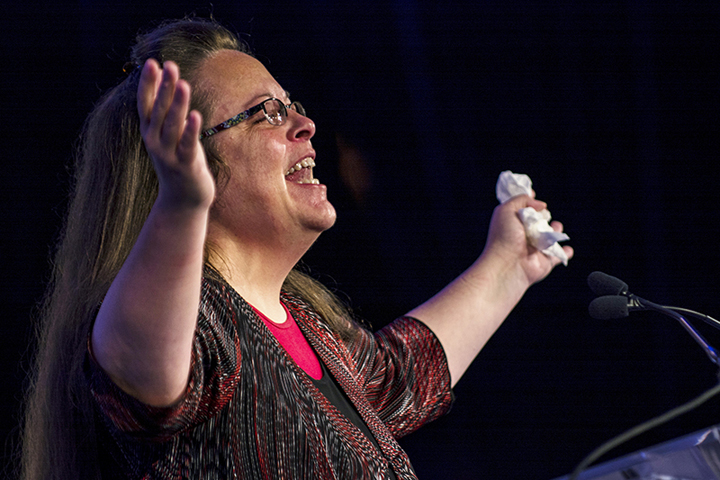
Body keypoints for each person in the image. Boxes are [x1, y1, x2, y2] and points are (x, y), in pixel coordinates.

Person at [21, 17, 573, 480]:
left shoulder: (309, 330)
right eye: (268, 112)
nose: (306, 125)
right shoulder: (191, 328)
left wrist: (509, 263)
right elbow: (138, 359)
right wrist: (182, 203)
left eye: (293, 106)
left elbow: (398, 377)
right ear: (186, 150)